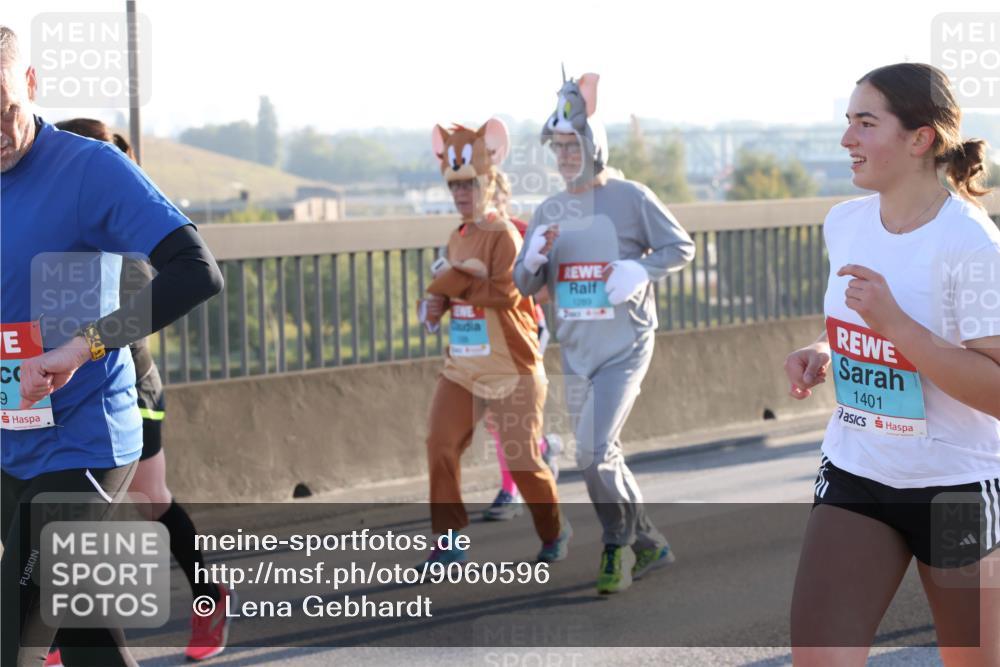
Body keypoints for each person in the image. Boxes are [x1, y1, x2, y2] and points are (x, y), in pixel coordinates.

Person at [1, 26, 224, 667]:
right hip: (10, 439)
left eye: (4, 111)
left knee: (7, 630)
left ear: (32, 85)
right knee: (85, 638)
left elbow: (195, 269)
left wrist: (81, 347)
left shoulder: (89, 167)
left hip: (84, 443)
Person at [785, 63, 1000, 666]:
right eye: (848, 121)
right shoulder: (845, 223)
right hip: (858, 471)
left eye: (865, 122)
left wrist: (899, 328)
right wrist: (826, 351)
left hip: (956, 488)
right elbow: (861, 324)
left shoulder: (973, 246)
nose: (847, 139)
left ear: (920, 139)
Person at [50, 118, 231, 663]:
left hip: (133, 383)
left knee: (149, 501)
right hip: (59, 392)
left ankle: (210, 597)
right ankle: (60, 631)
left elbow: (184, 280)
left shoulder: (126, 226)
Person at [514, 71, 695, 594]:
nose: (566, 155)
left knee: (591, 452)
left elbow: (679, 247)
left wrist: (641, 270)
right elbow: (525, 283)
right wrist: (533, 257)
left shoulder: (631, 197)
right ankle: (650, 541)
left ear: (595, 147)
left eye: (574, 145)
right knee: (603, 453)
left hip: (626, 345)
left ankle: (616, 544)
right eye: (559, 146)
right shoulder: (549, 209)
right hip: (577, 350)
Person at [419, 118, 570, 564]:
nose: (461, 195)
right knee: (439, 444)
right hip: (463, 367)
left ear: (487, 181)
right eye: (455, 188)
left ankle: (554, 531)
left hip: (513, 367)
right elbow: (458, 292)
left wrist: (454, 286)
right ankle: (448, 541)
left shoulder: (504, 234)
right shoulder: (457, 236)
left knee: (524, 464)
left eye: (469, 186)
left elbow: (508, 292)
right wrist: (437, 304)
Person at [481, 169, 563, 521]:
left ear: (505, 197)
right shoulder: (471, 237)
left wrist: (526, 301)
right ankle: (544, 447)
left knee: (509, 411)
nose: (491, 204)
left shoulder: (522, 230)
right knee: (499, 415)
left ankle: (509, 490)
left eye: (495, 197)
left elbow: (552, 278)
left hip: (528, 333)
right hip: (488, 336)